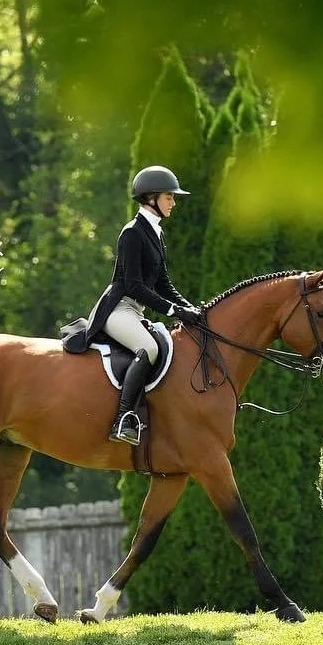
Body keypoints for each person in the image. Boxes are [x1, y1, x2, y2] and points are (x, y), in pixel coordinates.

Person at [81, 165, 206, 445]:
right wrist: (174, 311)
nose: (174, 203)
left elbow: (162, 283)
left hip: (135, 310)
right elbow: (134, 285)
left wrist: (190, 308)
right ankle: (123, 418)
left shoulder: (157, 234)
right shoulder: (132, 233)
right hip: (117, 309)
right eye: (169, 197)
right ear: (151, 198)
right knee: (148, 348)